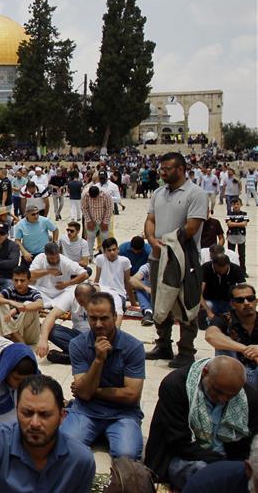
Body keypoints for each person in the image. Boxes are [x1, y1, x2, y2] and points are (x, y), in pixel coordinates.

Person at [0, 375, 95, 493]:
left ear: (62, 416)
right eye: (27, 413)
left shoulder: (81, 460)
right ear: (17, 411)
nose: (35, 423)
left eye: (44, 415)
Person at [144, 356, 258, 490]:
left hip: (227, 460)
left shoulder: (248, 398)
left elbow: (246, 446)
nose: (223, 399)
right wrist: (222, 465)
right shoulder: (176, 386)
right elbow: (179, 442)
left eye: (230, 396)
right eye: (218, 391)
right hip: (184, 457)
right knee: (207, 476)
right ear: (205, 373)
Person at [61, 291, 145, 459]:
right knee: (64, 447)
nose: (98, 324)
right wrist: (99, 360)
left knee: (127, 454)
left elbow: (132, 396)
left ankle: (106, 433)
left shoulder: (134, 347)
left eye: (104, 318)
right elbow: (84, 394)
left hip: (123, 414)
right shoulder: (78, 344)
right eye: (93, 318)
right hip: (86, 410)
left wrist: (94, 391)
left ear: (115, 317)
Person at [144, 152, 208, 367]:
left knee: (186, 302)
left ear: (181, 169)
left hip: (184, 258)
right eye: (161, 168)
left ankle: (187, 351)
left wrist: (168, 244)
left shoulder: (196, 193)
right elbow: (150, 219)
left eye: (167, 169)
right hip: (157, 257)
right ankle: (163, 344)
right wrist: (152, 240)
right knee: (159, 302)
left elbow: (192, 227)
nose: (162, 172)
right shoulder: (158, 193)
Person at [205, 283, 258, 388]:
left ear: (256, 301)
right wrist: (246, 349)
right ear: (233, 304)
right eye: (240, 300)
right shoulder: (224, 319)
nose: (246, 303)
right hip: (233, 372)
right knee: (224, 342)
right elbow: (211, 336)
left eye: (250, 298)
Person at [36, 283, 94, 365]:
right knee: (52, 330)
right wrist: (43, 339)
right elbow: (51, 316)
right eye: (81, 303)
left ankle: (74, 356)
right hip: (77, 337)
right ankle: (83, 355)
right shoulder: (70, 295)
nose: (84, 306)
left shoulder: (106, 297)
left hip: (96, 338)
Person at [0, 267, 44, 345]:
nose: (19, 283)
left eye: (22, 281)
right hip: (13, 333)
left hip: (29, 335)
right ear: (12, 280)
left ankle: (15, 336)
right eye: (16, 280)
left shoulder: (33, 293)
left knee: (28, 304)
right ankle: (15, 335)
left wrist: (17, 309)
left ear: (29, 281)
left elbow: (40, 304)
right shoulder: (11, 290)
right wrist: (11, 302)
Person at [28, 242, 87, 310]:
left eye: (56, 257)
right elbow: (30, 275)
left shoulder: (65, 261)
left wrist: (67, 283)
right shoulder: (40, 258)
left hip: (61, 293)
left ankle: (47, 305)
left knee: (78, 288)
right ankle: (52, 305)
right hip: (42, 291)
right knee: (26, 287)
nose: (55, 260)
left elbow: (85, 274)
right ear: (46, 255)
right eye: (52, 258)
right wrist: (48, 271)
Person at [93, 237, 134, 325]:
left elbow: (127, 282)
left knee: (111, 310)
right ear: (104, 251)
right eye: (109, 250)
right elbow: (97, 278)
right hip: (102, 290)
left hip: (118, 293)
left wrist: (132, 302)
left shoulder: (124, 261)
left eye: (114, 249)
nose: (112, 252)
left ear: (118, 249)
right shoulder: (100, 259)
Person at [226, 197, 248, 276]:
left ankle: (243, 271)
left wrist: (233, 224)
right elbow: (229, 224)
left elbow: (244, 224)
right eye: (234, 204)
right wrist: (239, 224)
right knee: (231, 254)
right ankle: (230, 271)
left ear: (241, 205)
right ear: (232, 205)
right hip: (231, 237)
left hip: (241, 237)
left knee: (242, 255)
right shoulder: (229, 213)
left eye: (237, 204)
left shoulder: (244, 214)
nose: (236, 206)